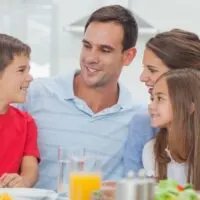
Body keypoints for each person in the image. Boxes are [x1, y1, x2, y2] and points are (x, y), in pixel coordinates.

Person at [17, 5, 139, 190]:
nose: (90, 58)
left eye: (104, 50)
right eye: (87, 46)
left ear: (128, 56)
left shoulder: (138, 118)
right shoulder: (34, 94)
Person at [123, 29, 200, 175]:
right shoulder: (144, 126)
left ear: (183, 76)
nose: (142, 77)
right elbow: (133, 187)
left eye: (152, 70)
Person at [143, 68, 200, 189]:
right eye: (152, 98)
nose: (151, 106)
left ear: (190, 106)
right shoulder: (151, 150)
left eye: (160, 98)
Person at [0, 34, 40, 188]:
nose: (29, 78)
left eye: (28, 70)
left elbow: (30, 171)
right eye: (21, 70)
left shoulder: (26, 122)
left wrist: (22, 181)